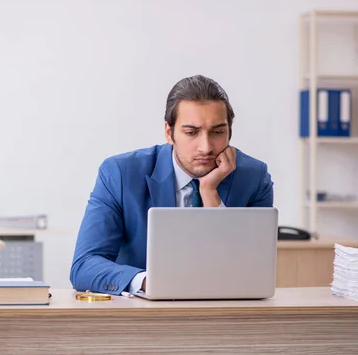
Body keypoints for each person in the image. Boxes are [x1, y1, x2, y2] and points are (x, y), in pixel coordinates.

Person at [69, 75, 274, 295]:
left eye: (217, 132)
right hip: (142, 316)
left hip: (225, 315)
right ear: (169, 133)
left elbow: (252, 269)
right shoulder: (121, 174)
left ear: (229, 132)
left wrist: (209, 192)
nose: (205, 147)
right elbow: (84, 266)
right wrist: (153, 282)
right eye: (191, 132)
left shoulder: (253, 178)